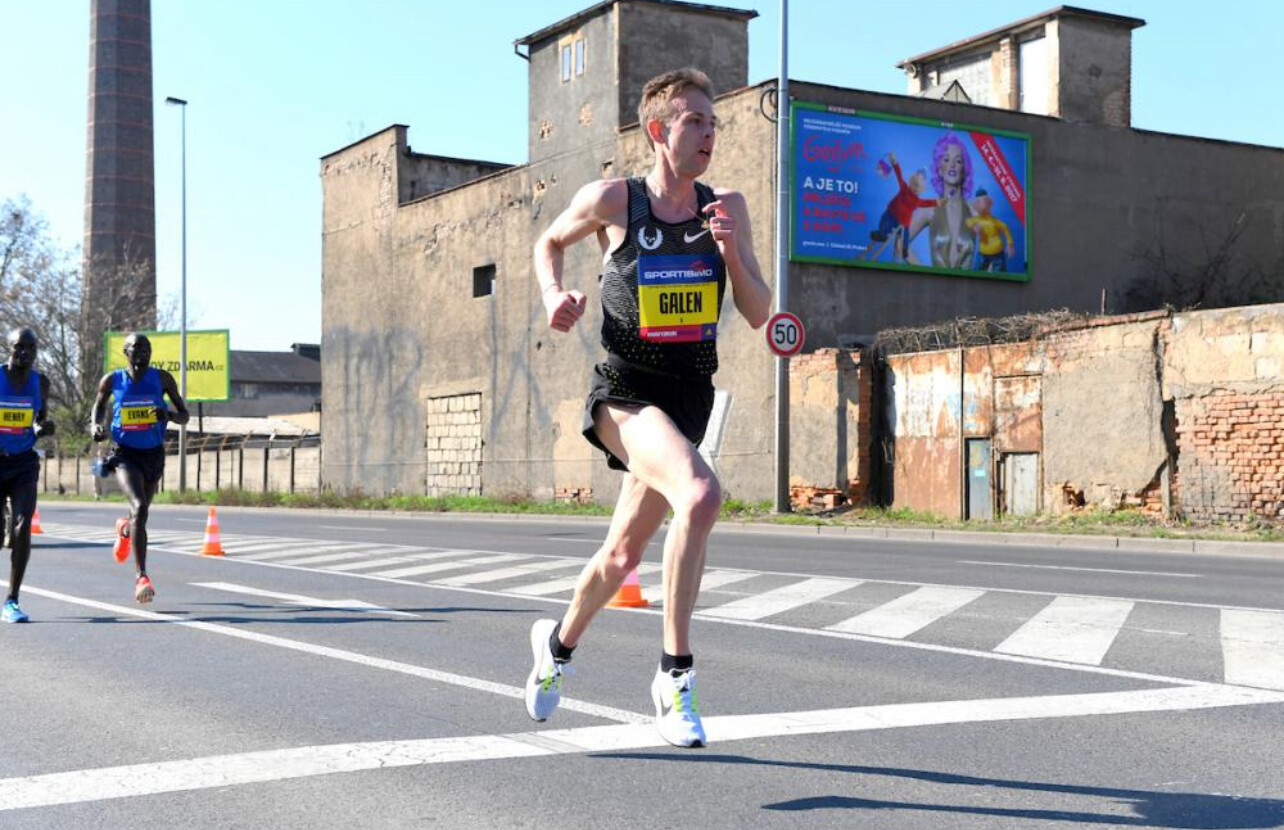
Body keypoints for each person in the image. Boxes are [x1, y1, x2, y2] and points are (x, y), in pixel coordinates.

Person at [524, 67, 771, 747]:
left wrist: (731, 252)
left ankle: (556, 648)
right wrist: (554, 295)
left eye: (714, 123)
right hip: (625, 389)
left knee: (621, 555)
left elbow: (757, 312)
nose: (709, 134)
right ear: (659, 130)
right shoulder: (616, 200)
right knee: (701, 493)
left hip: (688, 396)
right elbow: (549, 241)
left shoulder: (726, 207)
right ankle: (674, 676)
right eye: (695, 121)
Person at [91, 333, 189, 603]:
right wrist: (96, 426)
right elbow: (98, 407)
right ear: (126, 352)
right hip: (124, 453)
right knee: (140, 506)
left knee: (140, 515)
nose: (143, 351)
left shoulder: (162, 379)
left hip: (153, 454)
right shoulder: (112, 380)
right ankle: (141, 577)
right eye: (136, 347)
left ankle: (125, 530)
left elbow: (184, 415)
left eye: (147, 347)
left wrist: (169, 415)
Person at [0, 328, 55, 623]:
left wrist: (43, 427)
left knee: (22, 527)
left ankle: (12, 600)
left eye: (30, 348)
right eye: (19, 347)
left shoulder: (40, 382)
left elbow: (39, 418)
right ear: (8, 348)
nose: (24, 353)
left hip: (24, 463)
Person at [908, 131, 976, 269]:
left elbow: (996, 253)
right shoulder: (929, 210)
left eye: (958, 161)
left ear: (964, 170)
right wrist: (925, 274)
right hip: (935, 284)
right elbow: (900, 244)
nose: (952, 165)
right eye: (946, 160)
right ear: (939, 169)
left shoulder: (975, 211)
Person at [863, 152, 938, 264]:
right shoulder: (904, 188)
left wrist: (937, 202)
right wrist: (894, 162)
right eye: (914, 184)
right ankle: (882, 234)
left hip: (903, 223)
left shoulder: (917, 200)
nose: (915, 188)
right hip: (892, 214)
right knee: (885, 221)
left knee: (905, 237)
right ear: (910, 183)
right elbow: (899, 175)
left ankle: (904, 250)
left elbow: (927, 203)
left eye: (918, 187)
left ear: (921, 189)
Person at [965, 188, 1015, 272]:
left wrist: (1010, 245)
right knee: (980, 273)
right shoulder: (975, 220)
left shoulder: (994, 221)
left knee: (999, 274)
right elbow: (968, 222)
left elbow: (1005, 228)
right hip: (983, 253)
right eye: (978, 202)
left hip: (997, 253)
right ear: (975, 205)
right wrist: (973, 226)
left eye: (984, 201)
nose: (982, 204)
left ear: (990, 203)